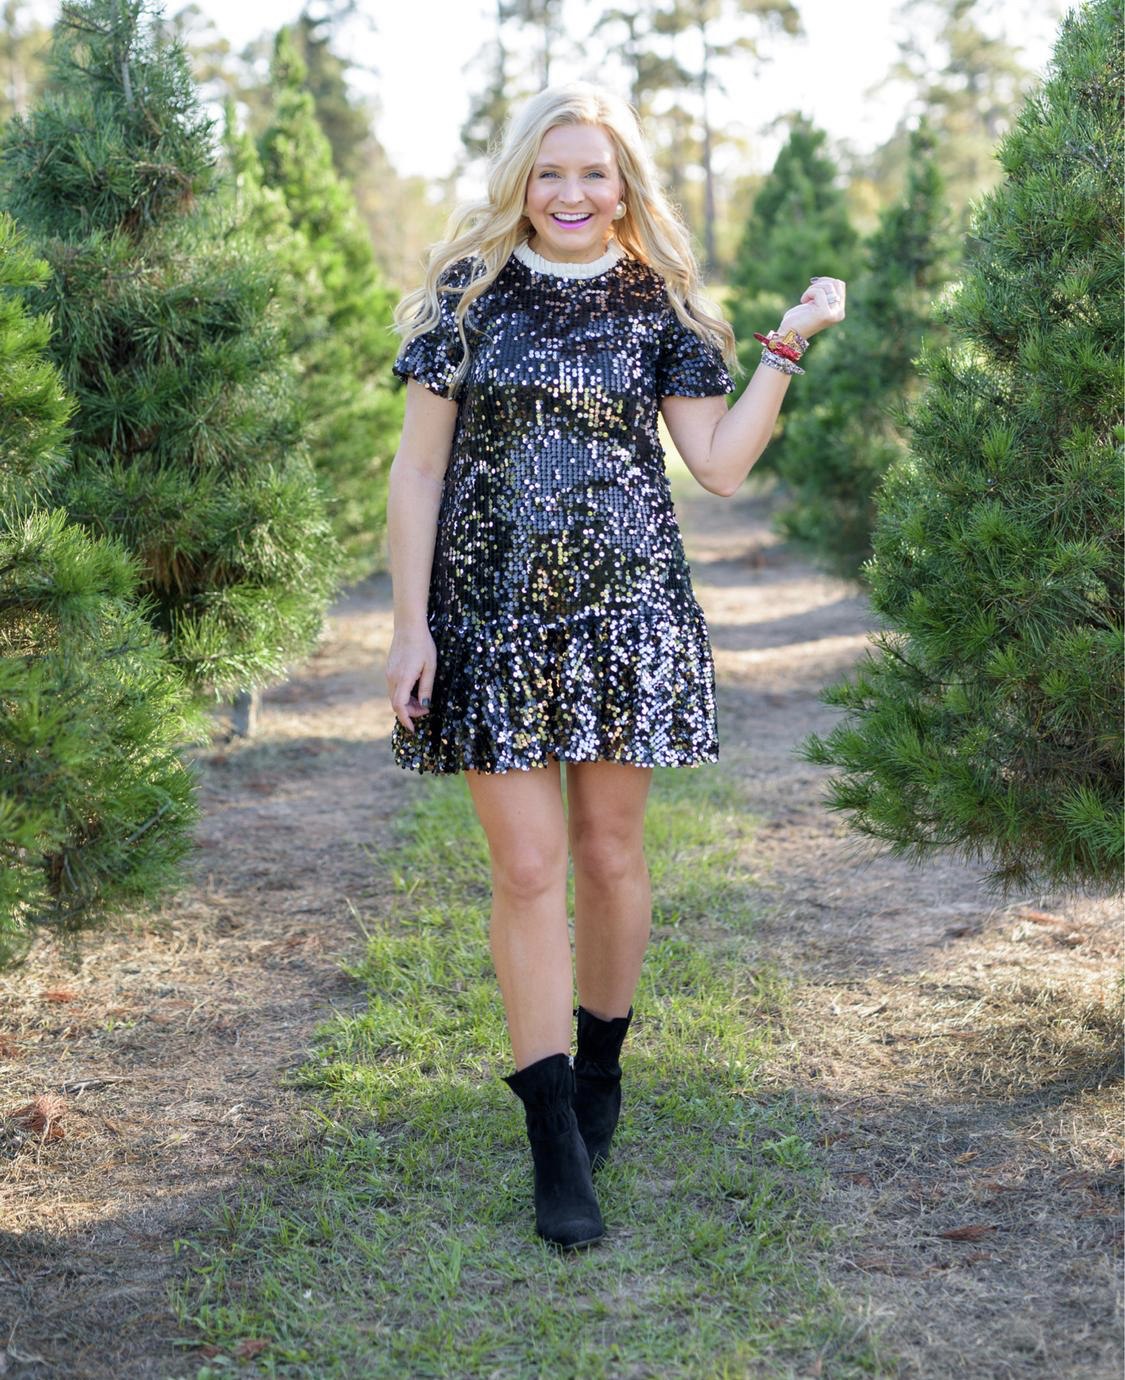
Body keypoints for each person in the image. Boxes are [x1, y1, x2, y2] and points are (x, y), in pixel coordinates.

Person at [384, 80, 845, 1250]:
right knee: (530, 871)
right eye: (550, 173)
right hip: (488, 618)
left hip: (625, 613)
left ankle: (601, 1072)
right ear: (519, 184)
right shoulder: (469, 296)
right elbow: (419, 473)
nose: (572, 193)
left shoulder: (662, 302)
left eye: (593, 171)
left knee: (608, 852)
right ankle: (552, 1140)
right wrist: (409, 623)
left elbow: (723, 466)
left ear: (624, 181)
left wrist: (784, 346)